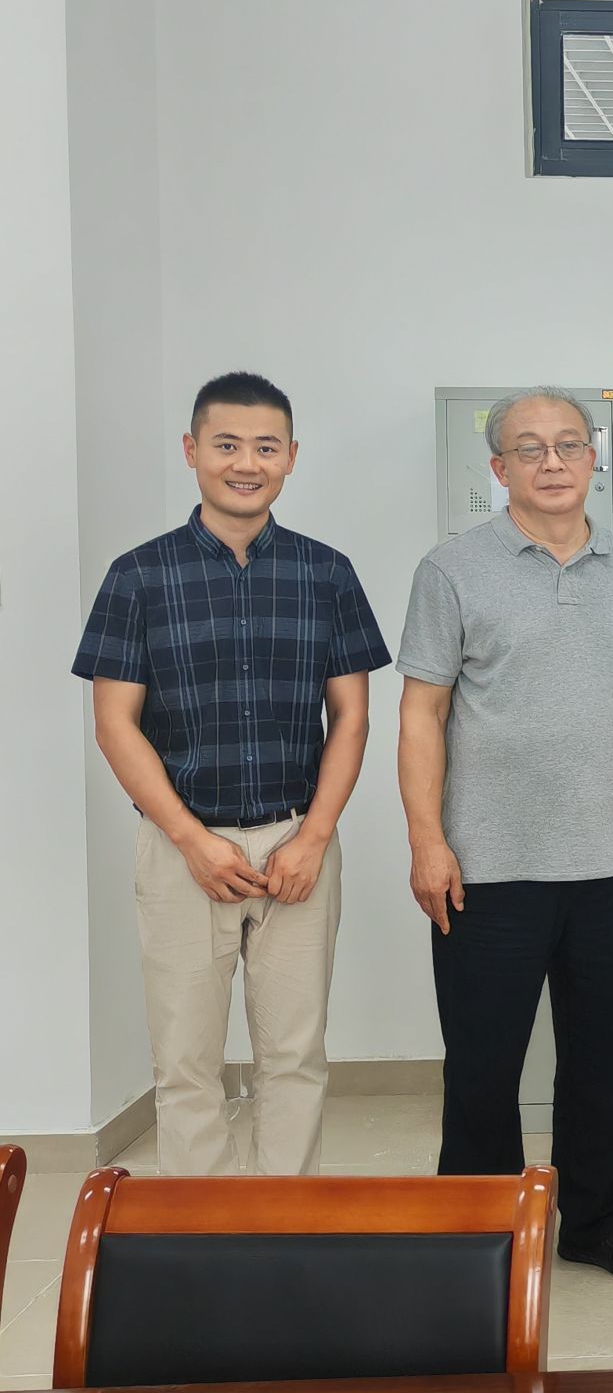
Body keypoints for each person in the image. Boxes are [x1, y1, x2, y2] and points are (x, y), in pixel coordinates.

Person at [74, 372, 389, 1175]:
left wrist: (313, 838)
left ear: (291, 457)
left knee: (295, 1057)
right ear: (192, 451)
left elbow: (351, 718)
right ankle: (200, 1232)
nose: (246, 463)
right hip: (181, 847)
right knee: (185, 1064)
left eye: (265, 447)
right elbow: (115, 724)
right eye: (226, 445)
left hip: (296, 842)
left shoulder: (327, 574)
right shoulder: (138, 576)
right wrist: (191, 840)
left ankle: (284, 1227)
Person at [397, 386, 613, 1282]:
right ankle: (478, 1231)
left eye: (568, 445)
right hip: (488, 866)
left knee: (598, 1063)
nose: (552, 462)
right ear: (499, 467)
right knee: (484, 1067)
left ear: (594, 457)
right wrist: (428, 840)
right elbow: (421, 712)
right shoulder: (452, 569)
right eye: (530, 448)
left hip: (606, 863)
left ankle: (594, 1222)